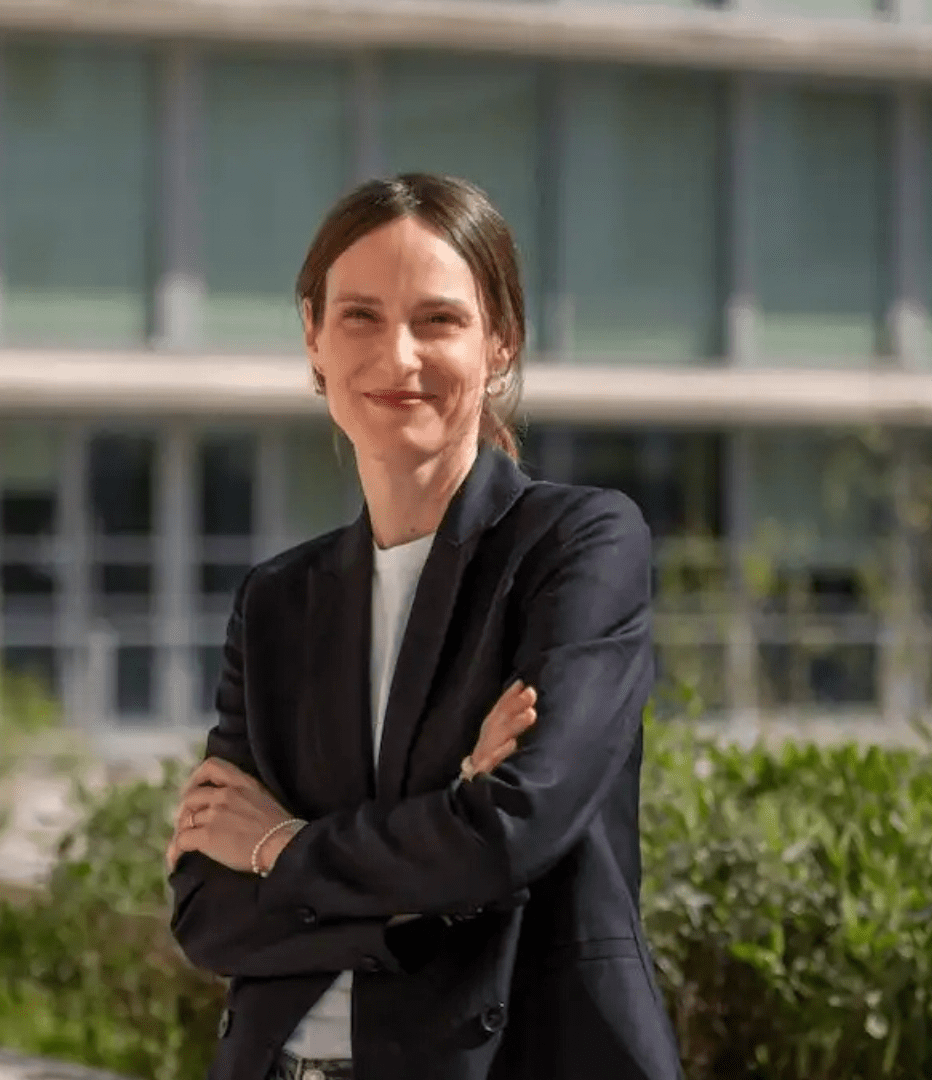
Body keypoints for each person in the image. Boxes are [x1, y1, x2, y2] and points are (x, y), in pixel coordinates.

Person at [165, 173, 682, 1080]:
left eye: (438, 320)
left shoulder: (578, 546)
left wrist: (279, 846)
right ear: (314, 342)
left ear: (502, 344)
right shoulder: (278, 602)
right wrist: (435, 847)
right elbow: (208, 909)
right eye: (360, 316)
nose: (397, 357)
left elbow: (507, 834)